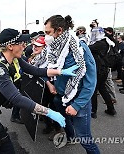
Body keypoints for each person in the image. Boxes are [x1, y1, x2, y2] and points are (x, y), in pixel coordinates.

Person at [0, 28, 79, 154]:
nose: (24, 46)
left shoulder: (15, 58)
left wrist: (61, 72)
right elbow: (16, 98)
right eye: (21, 43)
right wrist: (49, 112)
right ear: (10, 46)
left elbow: (36, 71)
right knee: (5, 144)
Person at [42, 15, 100, 153]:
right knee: (66, 122)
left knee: (85, 138)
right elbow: (48, 69)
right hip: (60, 98)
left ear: (59, 30)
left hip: (78, 100)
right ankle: (70, 137)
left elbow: (90, 82)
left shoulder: (80, 49)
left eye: (48, 32)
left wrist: (76, 105)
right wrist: (53, 84)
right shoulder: (54, 48)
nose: (46, 37)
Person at [89, 27, 117, 118]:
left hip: (98, 69)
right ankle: (111, 108)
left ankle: (93, 111)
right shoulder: (107, 42)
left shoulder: (99, 44)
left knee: (94, 90)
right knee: (102, 89)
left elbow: (87, 49)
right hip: (104, 69)